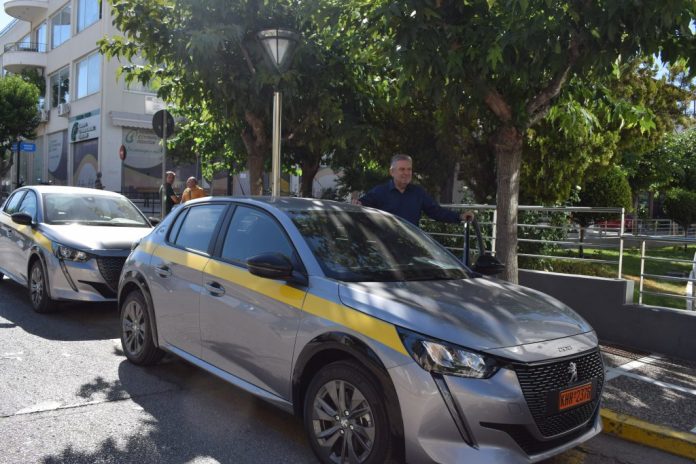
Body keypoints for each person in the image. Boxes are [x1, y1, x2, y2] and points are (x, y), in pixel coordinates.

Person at [356, 154, 474, 226]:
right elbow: (360, 206)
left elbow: (436, 212)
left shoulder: (418, 192)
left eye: (409, 169)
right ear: (392, 172)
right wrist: (357, 203)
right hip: (387, 249)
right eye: (402, 169)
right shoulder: (379, 192)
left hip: (411, 247)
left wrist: (460, 217)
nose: (406, 173)